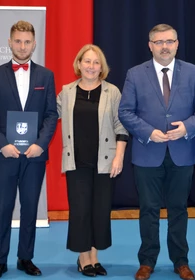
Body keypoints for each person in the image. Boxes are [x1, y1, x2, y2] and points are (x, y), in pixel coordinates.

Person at [118, 24, 195, 280]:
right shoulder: (135, 74)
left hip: (183, 151)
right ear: (150, 45)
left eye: (169, 41)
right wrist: (148, 132)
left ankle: (180, 261)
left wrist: (187, 127)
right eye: (159, 42)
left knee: (178, 209)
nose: (165, 46)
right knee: (148, 209)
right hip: (148, 152)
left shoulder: (193, 72)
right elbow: (125, 111)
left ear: (177, 44)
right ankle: (147, 261)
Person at [0, 20, 58, 279]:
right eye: (18, 41)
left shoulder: (46, 76)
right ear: (10, 42)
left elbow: (51, 114)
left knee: (29, 208)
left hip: (35, 156)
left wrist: (40, 144)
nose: (22, 46)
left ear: (34, 44)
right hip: (5, 156)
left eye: (27, 42)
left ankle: (25, 258)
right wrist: (2, 144)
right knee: (3, 208)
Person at [57, 44, 128, 277]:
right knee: (80, 211)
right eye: (87, 61)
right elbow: (48, 116)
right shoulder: (66, 92)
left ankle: (95, 257)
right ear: (79, 64)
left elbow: (121, 125)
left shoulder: (113, 92)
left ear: (102, 67)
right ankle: (83, 257)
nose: (91, 66)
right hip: (76, 162)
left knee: (100, 210)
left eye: (96, 62)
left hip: (105, 161)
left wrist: (119, 155)